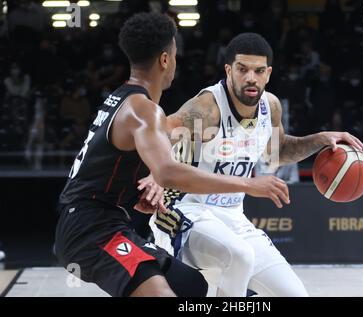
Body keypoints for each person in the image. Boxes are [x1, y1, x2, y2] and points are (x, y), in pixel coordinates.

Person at [55, 14, 289, 298]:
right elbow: (168, 171)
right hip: (90, 231)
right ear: (165, 60)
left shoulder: (122, 98)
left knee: (194, 288)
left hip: (106, 221)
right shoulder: (144, 110)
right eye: (176, 55)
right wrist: (248, 185)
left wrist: (140, 186)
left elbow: (117, 165)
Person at [149, 33, 363, 297]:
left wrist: (321, 139)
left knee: (296, 295)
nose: (251, 77)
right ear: (229, 70)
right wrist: (154, 171)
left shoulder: (270, 107)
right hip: (186, 211)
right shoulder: (208, 108)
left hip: (232, 218)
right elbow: (158, 133)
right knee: (239, 255)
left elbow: (279, 151)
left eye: (258, 70)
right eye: (242, 69)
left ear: (268, 73)